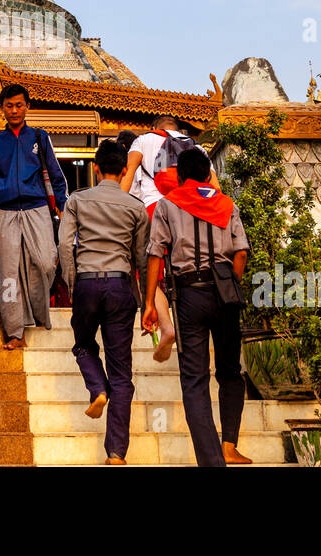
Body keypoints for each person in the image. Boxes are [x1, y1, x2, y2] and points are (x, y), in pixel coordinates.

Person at [142, 147, 252, 467]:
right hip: (225, 292)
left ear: (179, 176)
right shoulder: (226, 203)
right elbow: (241, 253)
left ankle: (212, 461)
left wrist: (149, 302)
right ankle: (229, 443)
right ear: (207, 174)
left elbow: (155, 254)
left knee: (195, 379)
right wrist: (230, 284)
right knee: (231, 371)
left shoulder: (167, 204)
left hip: (189, 294)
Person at [58, 139, 149, 465]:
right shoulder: (136, 207)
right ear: (124, 169)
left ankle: (97, 388)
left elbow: (65, 246)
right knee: (122, 374)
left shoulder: (77, 200)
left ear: (95, 168)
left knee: (83, 346)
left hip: (87, 283)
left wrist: (72, 284)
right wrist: (144, 300)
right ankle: (116, 454)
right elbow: (141, 256)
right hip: (120, 286)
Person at [120, 116, 220, 362]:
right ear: (179, 130)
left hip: (155, 208)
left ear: (154, 128)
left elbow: (130, 174)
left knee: (150, 273)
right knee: (190, 269)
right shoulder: (196, 147)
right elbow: (215, 188)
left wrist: (113, 204)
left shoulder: (143, 141)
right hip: (192, 211)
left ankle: (166, 326)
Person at [0, 83, 68, 349]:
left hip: (37, 207)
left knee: (46, 262)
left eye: (19, 105)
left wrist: (62, 203)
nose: (14, 110)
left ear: (28, 106)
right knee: (7, 271)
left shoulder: (39, 137)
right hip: (6, 210)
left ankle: (39, 313)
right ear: (1, 108)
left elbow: (55, 173)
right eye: (9, 105)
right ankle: (15, 331)